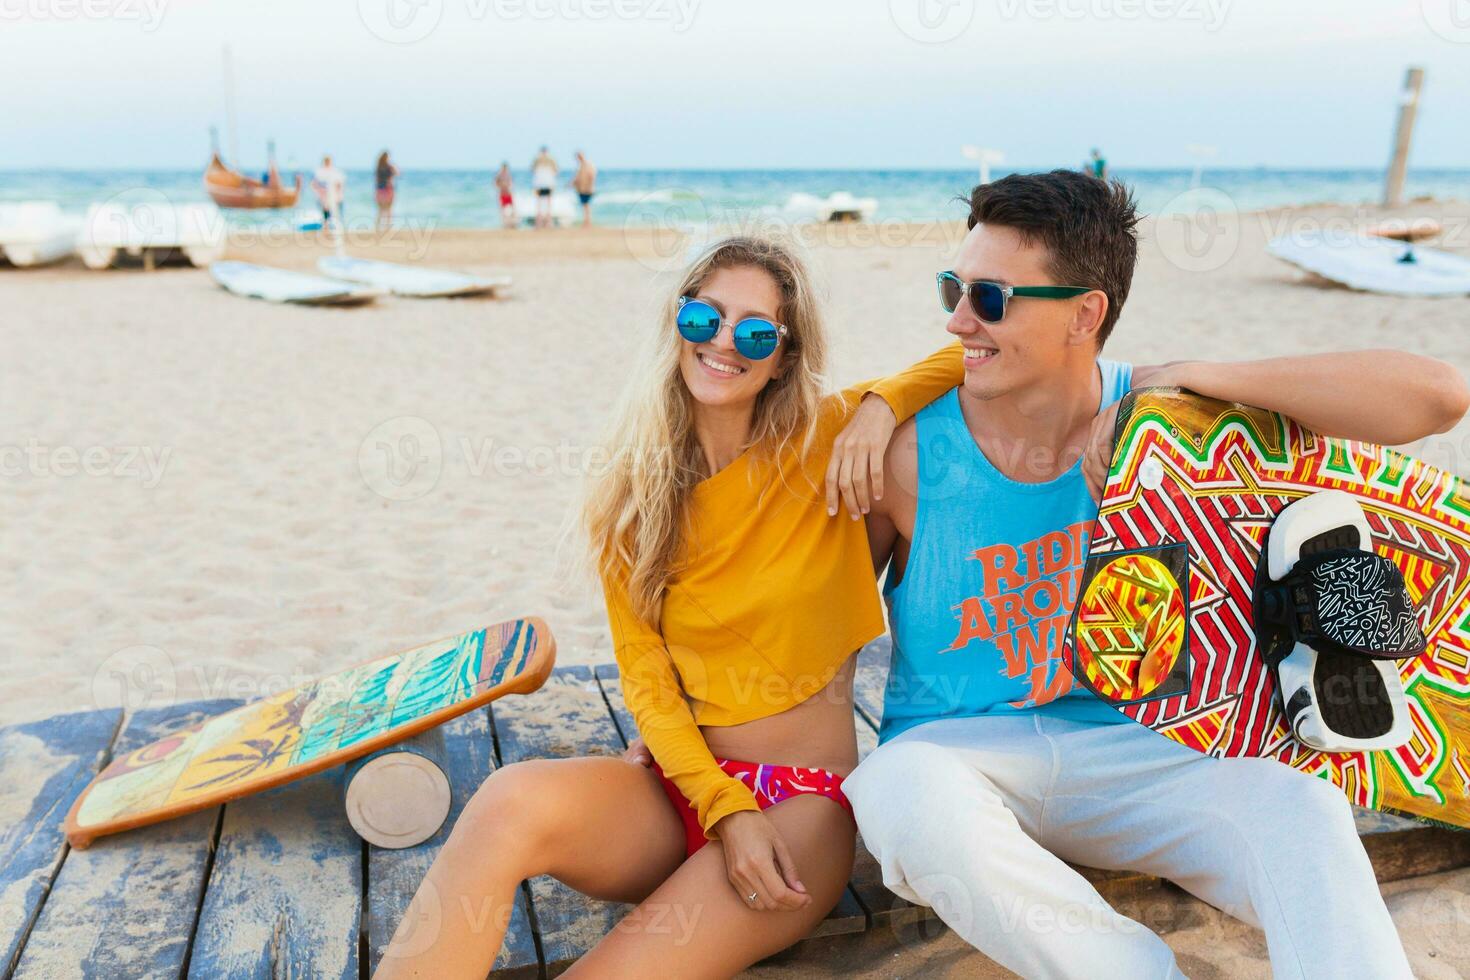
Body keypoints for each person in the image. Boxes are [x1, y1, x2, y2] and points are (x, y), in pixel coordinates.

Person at [830, 169, 1470, 978]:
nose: (958, 320)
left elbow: (1438, 397)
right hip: (965, 760)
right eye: (953, 288)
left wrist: (1203, 376)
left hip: (1155, 754)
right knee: (898, 793)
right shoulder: (902, 455)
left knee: (1302, 808)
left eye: (990, 299)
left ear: (1085, 314)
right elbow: (826, 653)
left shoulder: (1178, 425)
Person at [374, 236, 963, 978]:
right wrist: (718, 802)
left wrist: (882, 405)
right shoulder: (633, 498)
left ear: (782, 357)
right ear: (676, 322)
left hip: (797, 808)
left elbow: (968, 359)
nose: (722, 342)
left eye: (754, 332)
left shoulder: (826, 439)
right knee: (507, 800)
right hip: (678, 789)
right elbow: (646, 681)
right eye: (702, 318)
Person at [311, 154, 346, 230]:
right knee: (326, 213)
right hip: (325, 196)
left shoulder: (334, 171)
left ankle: (334, 227)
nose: (327, 163)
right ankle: (327, 228)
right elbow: (314, 184)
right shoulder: (320, 172)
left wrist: (339, 195)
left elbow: (339, 184)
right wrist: (319, 193)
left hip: (333, 196)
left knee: (335, 213)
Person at [531, 146, 558, 228]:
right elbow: (556, 170)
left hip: (539, 184)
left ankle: (539, 223)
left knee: (539, 204)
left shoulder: (537, 160)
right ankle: (547, 223)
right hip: (548, 183)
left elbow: (532, 170)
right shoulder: (551, 160)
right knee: (548, 204)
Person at [572, 150, 598, 227]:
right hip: (581, 189)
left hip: (587, 189)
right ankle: (586, 222)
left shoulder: (588, 165)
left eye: (579, 156)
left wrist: (590, 186)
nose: (578, 158)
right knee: (585, 206)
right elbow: (577, 178)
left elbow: (591, 176)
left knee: (586, 205)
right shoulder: (580, 166)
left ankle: (588, 222)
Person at [374, 150, 399, 231]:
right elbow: (398, 173)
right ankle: (387, 228)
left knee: (381, 210)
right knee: (389, 210)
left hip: (380, 189)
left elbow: (376, 180)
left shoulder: (379, 167)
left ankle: (378, 227)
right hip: (388, 189)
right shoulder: (389, 167)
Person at [495, 161, 516, 229]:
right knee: (503, 210)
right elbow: (495, 183)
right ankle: (505, 223)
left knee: (512, 209)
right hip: (503, 194)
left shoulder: (508, 175)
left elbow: (511, 184)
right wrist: (502, 186)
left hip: (507, 194)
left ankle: (511, 223)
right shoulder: (499, 175)